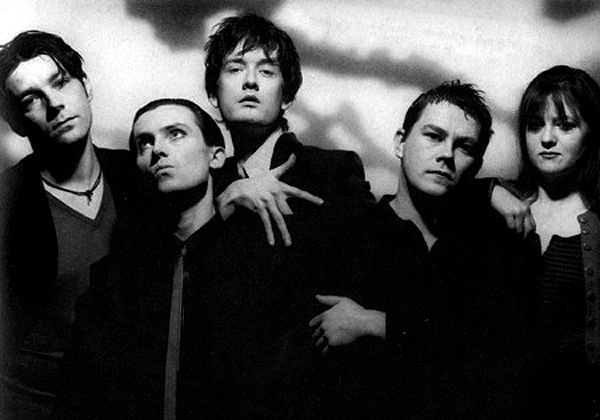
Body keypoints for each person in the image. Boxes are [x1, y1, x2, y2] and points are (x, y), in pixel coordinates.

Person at [309, 81, 538, 419]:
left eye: (464, 147)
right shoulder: (347, 238)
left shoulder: (498, 246)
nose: (446, 155)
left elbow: (500, 364)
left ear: (476, 165)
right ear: (400, 143)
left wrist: (376, 323)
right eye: (433, 136)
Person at [0, 31, 139, 419]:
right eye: (31, 99)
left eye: (60, 83)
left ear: (86, 86)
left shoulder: (137, 177)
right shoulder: (7, 200)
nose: (55, 104)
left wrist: (240, 186)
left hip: (123, 404)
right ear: (17, 124)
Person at [204, 12, 375, 245]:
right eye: (235, 69)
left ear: (286, 97)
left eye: (266, 71)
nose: (250, 81)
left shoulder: (331, 171)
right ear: (213, 94)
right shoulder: (207, 183)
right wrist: (228, 200)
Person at [509, 65, 600, 418]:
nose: (547, 138)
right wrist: (490, 192)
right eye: (535, 125)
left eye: (565, 125)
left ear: (592, 133)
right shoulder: (501, 209)